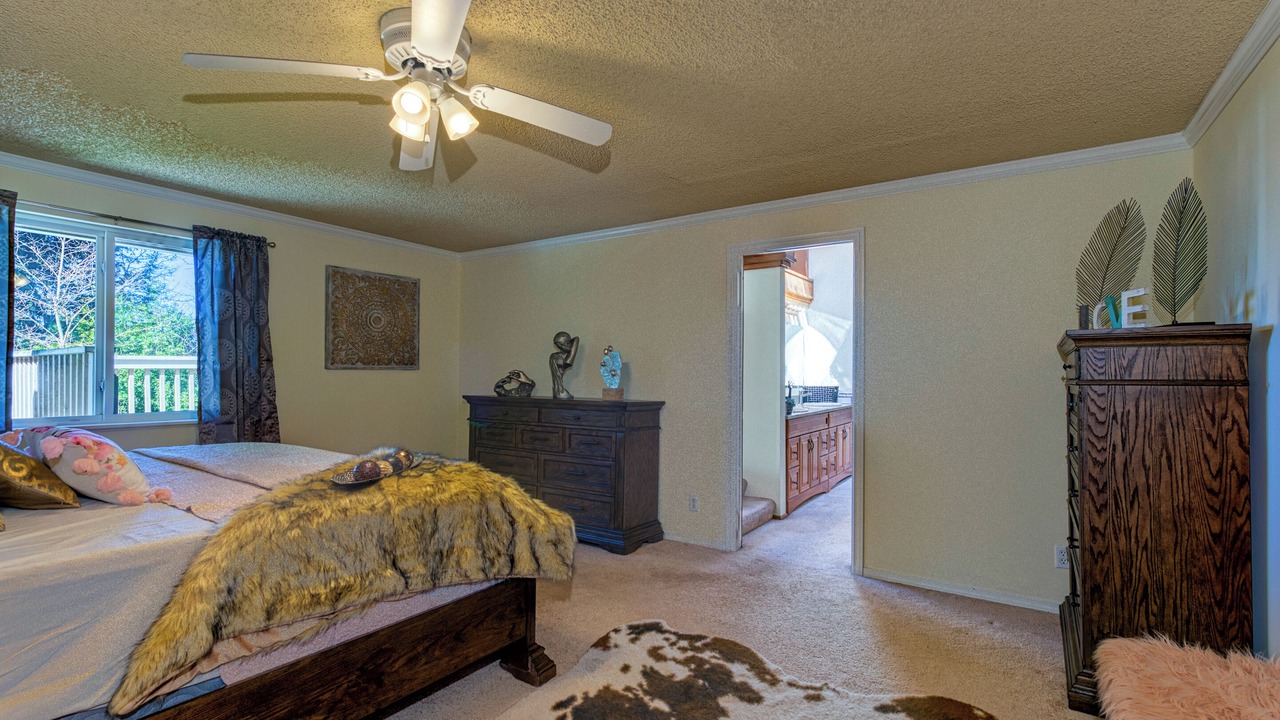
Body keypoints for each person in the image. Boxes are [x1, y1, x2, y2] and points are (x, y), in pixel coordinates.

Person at [549, 331, 580, 399]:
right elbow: (576, 339)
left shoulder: (556, 356)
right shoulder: (557, 357)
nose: (570, 345)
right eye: (558, 346)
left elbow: (576, 339)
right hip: (559, 390)